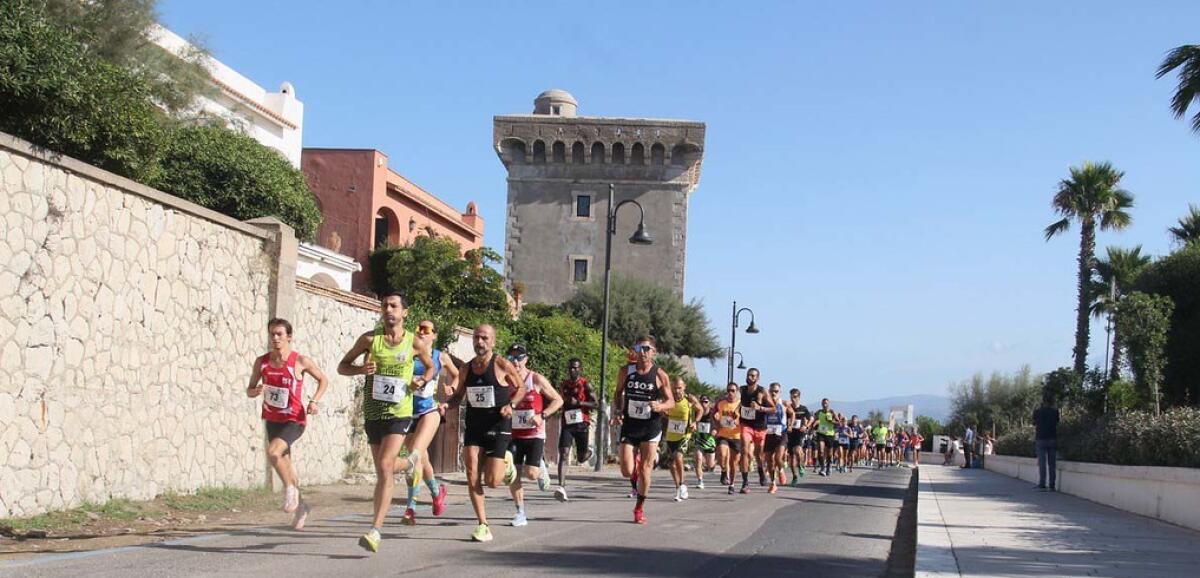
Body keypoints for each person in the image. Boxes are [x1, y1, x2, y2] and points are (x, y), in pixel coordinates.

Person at [338, 291, 437, 553]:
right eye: (385, 305)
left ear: (404, 312)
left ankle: (375, 530)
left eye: (394, 306)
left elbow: (431, 367)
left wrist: (422, 380)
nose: (388, 309)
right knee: (385, 470)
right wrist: (361, 369)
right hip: (373, 413)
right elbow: (342, 366)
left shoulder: (414, 343)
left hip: (399, 413)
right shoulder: (370, 340)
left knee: (384, 465)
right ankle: (412, 461)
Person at [245, 318, 329, 531]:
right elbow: (250, 389)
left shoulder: (299, 361)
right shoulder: (261, 362)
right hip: (272, 419)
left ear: (289, 337)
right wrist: (254, 392)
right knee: (286, 464)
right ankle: (302, 507)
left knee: (274, 453)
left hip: (294, 419)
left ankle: (290, 490)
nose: (275, 338)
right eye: (272, 334)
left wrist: (314, 401)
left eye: (279, 334)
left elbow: (323, 380)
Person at [446, 324, 528, 542]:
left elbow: (521, 388)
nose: (479, 342)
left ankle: (507, 465)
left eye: (484, 338)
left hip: (498, 424)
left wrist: (511, 405)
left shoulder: (501, 364)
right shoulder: (466, 368)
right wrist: (446, 404)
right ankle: (483, 524)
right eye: (476, 338)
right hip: (474, 426)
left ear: (492, 341)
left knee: (493, 481)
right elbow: (459, 395)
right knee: (471, 472)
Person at [399, 319, 459, 526]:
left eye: (426, 330)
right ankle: (436, 492)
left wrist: (451, 389)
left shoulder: (440, 356)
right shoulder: (408, 352)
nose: (421, 332)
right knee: (421, 458)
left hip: (428, 411)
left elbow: (457, 374)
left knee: (414, 456)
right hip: (407, 412)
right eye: (418, 329)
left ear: (434, 335)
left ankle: (411, 508)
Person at [611, 336, 674, 524]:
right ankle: (636, 462)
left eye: (647, 348)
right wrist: (619, 410)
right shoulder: (626, 371)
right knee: (626, 470)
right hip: (631, 425)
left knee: (646, 470)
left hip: (650, 426)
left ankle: (639, 508)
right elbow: (617, 393)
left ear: (654, 352)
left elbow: (671, 401)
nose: (643, 352)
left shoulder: (660, 375)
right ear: (635, 350)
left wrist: (660, 406)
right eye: (640, 348)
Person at [505, 344, 563, 526]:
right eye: (511, 357)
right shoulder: (506, 381)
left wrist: (542, 415)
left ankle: (540, 465)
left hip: (534, 435)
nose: (515, 362)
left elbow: (558, 399)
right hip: (513, 434)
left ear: (526, 360)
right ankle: (520, 512)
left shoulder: (535, 379)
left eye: (519, 358)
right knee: (511, 473)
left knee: (531, 474)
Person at [555, 358, 597, 502]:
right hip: (567, 423)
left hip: (581, 424)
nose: (572, 370)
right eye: (570, 368)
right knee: (564, 453)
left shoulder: (586, 385)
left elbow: (596, 404)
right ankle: (561, 486)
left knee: (580, 457)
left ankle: (589, 452)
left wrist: (579, 403)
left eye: (575, 368)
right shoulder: (564, 384)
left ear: (580, 369)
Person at [664, 377, 700, 501]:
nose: (677, 390)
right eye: (675, 388)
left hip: (685, 435)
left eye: (679, 388)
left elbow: (700, 409)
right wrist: (662, 411)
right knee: (670, 463)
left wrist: (695, 422)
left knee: (678, 457)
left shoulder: (689, 399)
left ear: (684, 387)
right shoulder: (669, 400)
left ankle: (683, 483)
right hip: (671, 435)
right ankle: (678, 486)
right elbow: (663, 412)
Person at [738, 369, 769, 493]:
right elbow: (734, 402)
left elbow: (773, 408)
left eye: (753, 376)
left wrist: (760, 407)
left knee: (759, 454)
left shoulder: (762, 391)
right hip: (746, 424)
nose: (751, 378)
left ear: (758, 378)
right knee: (745, 450)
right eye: (749, 375)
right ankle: (745, 482)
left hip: (760, 427)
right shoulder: (742, 390)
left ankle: (761, 472)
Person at [761, 383, 791, 493]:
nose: (774, 393)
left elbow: (792, 414)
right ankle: (773, 483)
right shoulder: (765, 403)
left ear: (780, 393)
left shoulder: (783, 403)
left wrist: (790, 425)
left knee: (778, 458)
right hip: (769, 434)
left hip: (781, 433)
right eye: (772, 391)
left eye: (776, 391)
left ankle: (781, 470)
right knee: (769, 460)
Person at [714, 383, 743, 495]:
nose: (730, 393)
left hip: (736, 436)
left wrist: (738, 421)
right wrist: (716, 421)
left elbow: (747, 419)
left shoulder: (740, 405)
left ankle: (732, 484)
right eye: (728, 390)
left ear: (737, 392)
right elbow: (714, 415)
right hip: (723, 434)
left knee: (733, 463)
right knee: (722, 453)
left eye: (733, 390)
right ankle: (723, 471)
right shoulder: (721, 403)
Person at [1033, 391, 1059, 491]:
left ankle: (1042, 484)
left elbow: (1034, 422)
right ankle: (1052, 485)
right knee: (1052, 463)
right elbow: (1056, 422)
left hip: (1040, 439)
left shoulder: (1037, 411)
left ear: (1043, 401)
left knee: (1042, 463)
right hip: (1052, 438)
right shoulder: (1055, 411)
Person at [785, 389, 811, 486]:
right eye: (791, 396)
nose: (793, 399)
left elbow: (811, 418)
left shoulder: (803, 409)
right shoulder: (788, 408)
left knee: (798, 450)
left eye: (795, 397)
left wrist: (806, 426)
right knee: (791, 461)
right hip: (790, 433)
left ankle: (801, 465)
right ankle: (795, 477)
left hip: (799, 433)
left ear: (799, 397)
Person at [691, 395, 717, 489]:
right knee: (698, 459)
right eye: (702, 401)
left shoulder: (713, 413)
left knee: (710, 465)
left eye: (706, 402)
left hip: (710, 441)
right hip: (699, 440)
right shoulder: (697, 413)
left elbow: (718, 424)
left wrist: (715, 430)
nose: (703, 404)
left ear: (709, 403)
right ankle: (700, 481)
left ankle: (716, 461)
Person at [813, 398, 837, 476]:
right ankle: (822, 468)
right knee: (821, 451)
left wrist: (831, 421)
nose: (825, 404)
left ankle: (829, 466)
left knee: (830, 454)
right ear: (821, 404)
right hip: (821, 433)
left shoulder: (832, 412)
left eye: (826, 403)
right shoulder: (818, 412)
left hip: (830, 434)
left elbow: (838, 422)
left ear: (828, 404)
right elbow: (814, 420)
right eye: (823, 403)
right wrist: (812, 427)